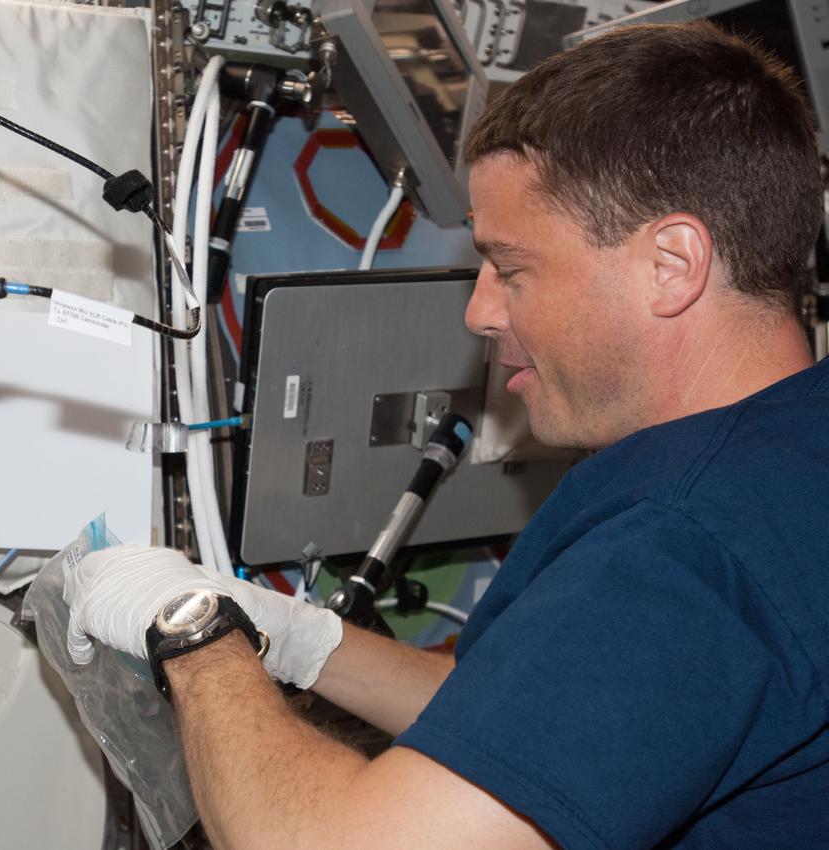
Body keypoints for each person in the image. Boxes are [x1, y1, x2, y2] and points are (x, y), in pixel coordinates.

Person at [63, 22, 829, 849]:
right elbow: (518, 724)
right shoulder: (781, 455)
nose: (481, 310)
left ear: (671, 265)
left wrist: (194, 636)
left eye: (513, 266)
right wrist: (298, 639)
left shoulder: (686, 547)